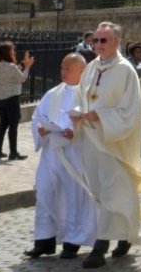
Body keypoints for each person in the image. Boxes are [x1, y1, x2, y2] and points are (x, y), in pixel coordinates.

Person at [71, 21, 141, 267]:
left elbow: (131, 111)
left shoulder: (126, 71)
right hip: (92, 140)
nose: (97, 45)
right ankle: (126, 235)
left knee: (114, 192)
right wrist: (80, 113)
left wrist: (101, 116)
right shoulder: (91, 68)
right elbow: (82, 97)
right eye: (95, 40)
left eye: (103, 40)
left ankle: (100, 247)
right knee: (102, 193)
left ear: (116, 42)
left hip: (114, 143)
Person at [27, 53, 95, 260]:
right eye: (62, 68)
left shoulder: (89, 95)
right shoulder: (52, 94)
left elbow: (94, 122)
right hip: (51, 154)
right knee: (45, 192)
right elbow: (37, 117)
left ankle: (72, 241)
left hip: (74, 155)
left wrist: (75, 132)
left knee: (73, 196)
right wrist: (41, 129)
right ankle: (44, 239)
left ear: (82, 71)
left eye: (68, 68)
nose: (63, 72)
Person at [0, 42, 34, 160]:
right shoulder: (11, 67)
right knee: (13, 125)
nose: (14, 53)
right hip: (11, 98)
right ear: (7, 53)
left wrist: (22, 64)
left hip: (0, 97)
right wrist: (28, 66)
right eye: (12, 51)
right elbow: (22, 78)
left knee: (3, 124)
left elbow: (12, 72)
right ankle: (13, 152)